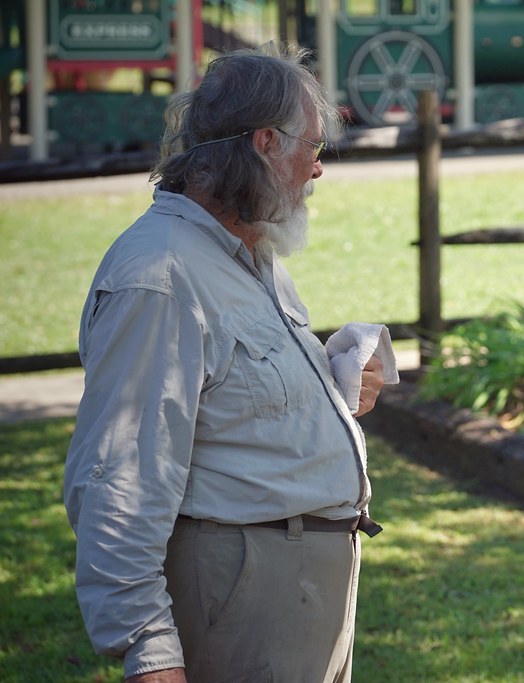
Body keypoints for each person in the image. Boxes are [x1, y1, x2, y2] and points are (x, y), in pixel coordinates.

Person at [63, 43, 398, 683]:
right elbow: (118, 478)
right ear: (266, 143)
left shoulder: (247, 253)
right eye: (313, 147)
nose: (318, 169)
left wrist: (330, 392)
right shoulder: (162, 276)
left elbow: (232, 409)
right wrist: (150, 652)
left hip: (292, 598)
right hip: (240, 597)